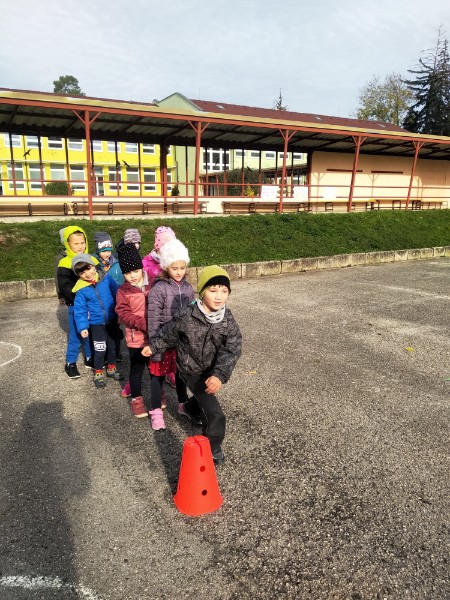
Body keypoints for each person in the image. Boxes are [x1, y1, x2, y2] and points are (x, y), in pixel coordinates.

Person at [142, 266, 242, 465]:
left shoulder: (227, 319)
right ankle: (212, 446)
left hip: (211, 370)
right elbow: (169, 333)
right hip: (190, 369)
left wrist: (219, 374)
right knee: (215, 414)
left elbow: (232, 348)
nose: (219, 296)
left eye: (224, 291)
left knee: (203, 398)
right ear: (202, 291)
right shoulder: (187, 314)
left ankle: (189, 407)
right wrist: (153, 347)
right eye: (213, 290)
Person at [145, 238, 195, 431]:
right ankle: (156, 411)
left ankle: (183, 404)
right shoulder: (159, 289)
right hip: (162, 342)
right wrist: (155, 345)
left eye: (182, 268)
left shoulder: (188, 288)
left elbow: (192, 316)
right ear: (166, 267)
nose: (179, 272)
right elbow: (153, 319)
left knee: (181, 375)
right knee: (157, 377)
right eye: (175, 268)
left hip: (180, 342)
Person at [72, 254, 121, 389]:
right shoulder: (81, 290)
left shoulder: (106, 278)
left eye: (88, 268)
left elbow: (117, 294)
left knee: (112, 347)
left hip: (112, 319)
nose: (87, 274)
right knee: (100, 349)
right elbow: (80, 310)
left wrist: (121, 313)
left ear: (94, 266)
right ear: (78, 275)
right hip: (96, 324)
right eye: (82, 272)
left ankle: (111, 367)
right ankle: (98, 371)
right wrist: (82, 327)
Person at [115, 243, 152, 420]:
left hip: (154, 337)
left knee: (154, 369)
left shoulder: (153, 284)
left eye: (136, 271)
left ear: (141, 268)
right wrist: (143, 323)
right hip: (135, 338)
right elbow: (123, 313)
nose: (133, 276)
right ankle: (136, 400)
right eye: (128, 273)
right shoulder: (123, 291)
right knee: (137, 369)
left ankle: (158, 395)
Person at [56, 226, 96, 378]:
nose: (80, 246)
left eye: (82, 242)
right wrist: (80, 300)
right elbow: (65, 286)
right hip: (76, 306)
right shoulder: (65, 262)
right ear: (68, 244)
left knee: (90, 333)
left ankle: (89, 358)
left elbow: (98, 278)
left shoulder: (91, 259)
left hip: (92, 306)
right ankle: (70, 363)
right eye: (76, 243)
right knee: (77, 335)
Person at [142, 225, 177, 389]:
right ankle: (136, 380)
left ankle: (171, 372)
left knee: (170, 338)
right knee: (153, 340)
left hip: (170, 307)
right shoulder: (147, 263)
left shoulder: (174, 261)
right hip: (152, 307)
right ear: (157, 246)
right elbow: (140, 284)